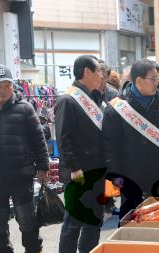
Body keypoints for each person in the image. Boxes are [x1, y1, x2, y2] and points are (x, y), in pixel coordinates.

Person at [102, 59, 159, 219]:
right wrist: (116, 176)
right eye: (153, 79)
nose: (157, 83)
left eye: (158, 78)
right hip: (131, 175)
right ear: (138, 80)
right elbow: (110, 147)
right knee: (132, 221)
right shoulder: (117, 108)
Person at [0, 64, 49, 253]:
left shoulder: (25, 109)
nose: (3, 91)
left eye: (7, 86)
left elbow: (38, 140)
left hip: (22, 177)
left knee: (29, 224)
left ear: (13, 86)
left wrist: (43, 167)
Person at [55, 55, 107, 253]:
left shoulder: (95, 97)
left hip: (97, 169)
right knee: (74, 222)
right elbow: (63, 138)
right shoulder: (69, 99)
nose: (102, 76)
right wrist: (74, 167)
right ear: (86, 72)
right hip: (79, 171)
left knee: (94, 219)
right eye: (98, 71)